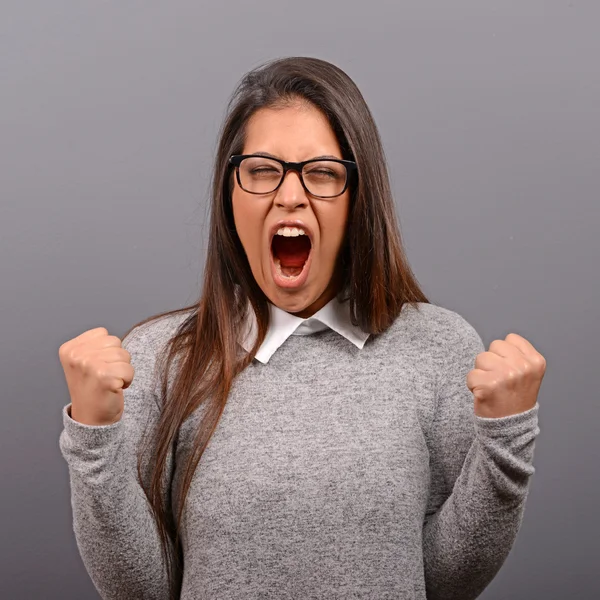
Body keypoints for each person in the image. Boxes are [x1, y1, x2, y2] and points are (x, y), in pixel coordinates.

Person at [58, 57, 546, 600]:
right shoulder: (159, 358)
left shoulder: (438, 348)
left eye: (321, 173)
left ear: (359, 198)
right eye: (263, 170)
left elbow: (440, 581)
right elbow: (142, 591)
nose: (290, 196)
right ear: (230, 194)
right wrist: (94, 436)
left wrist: (506, 438)